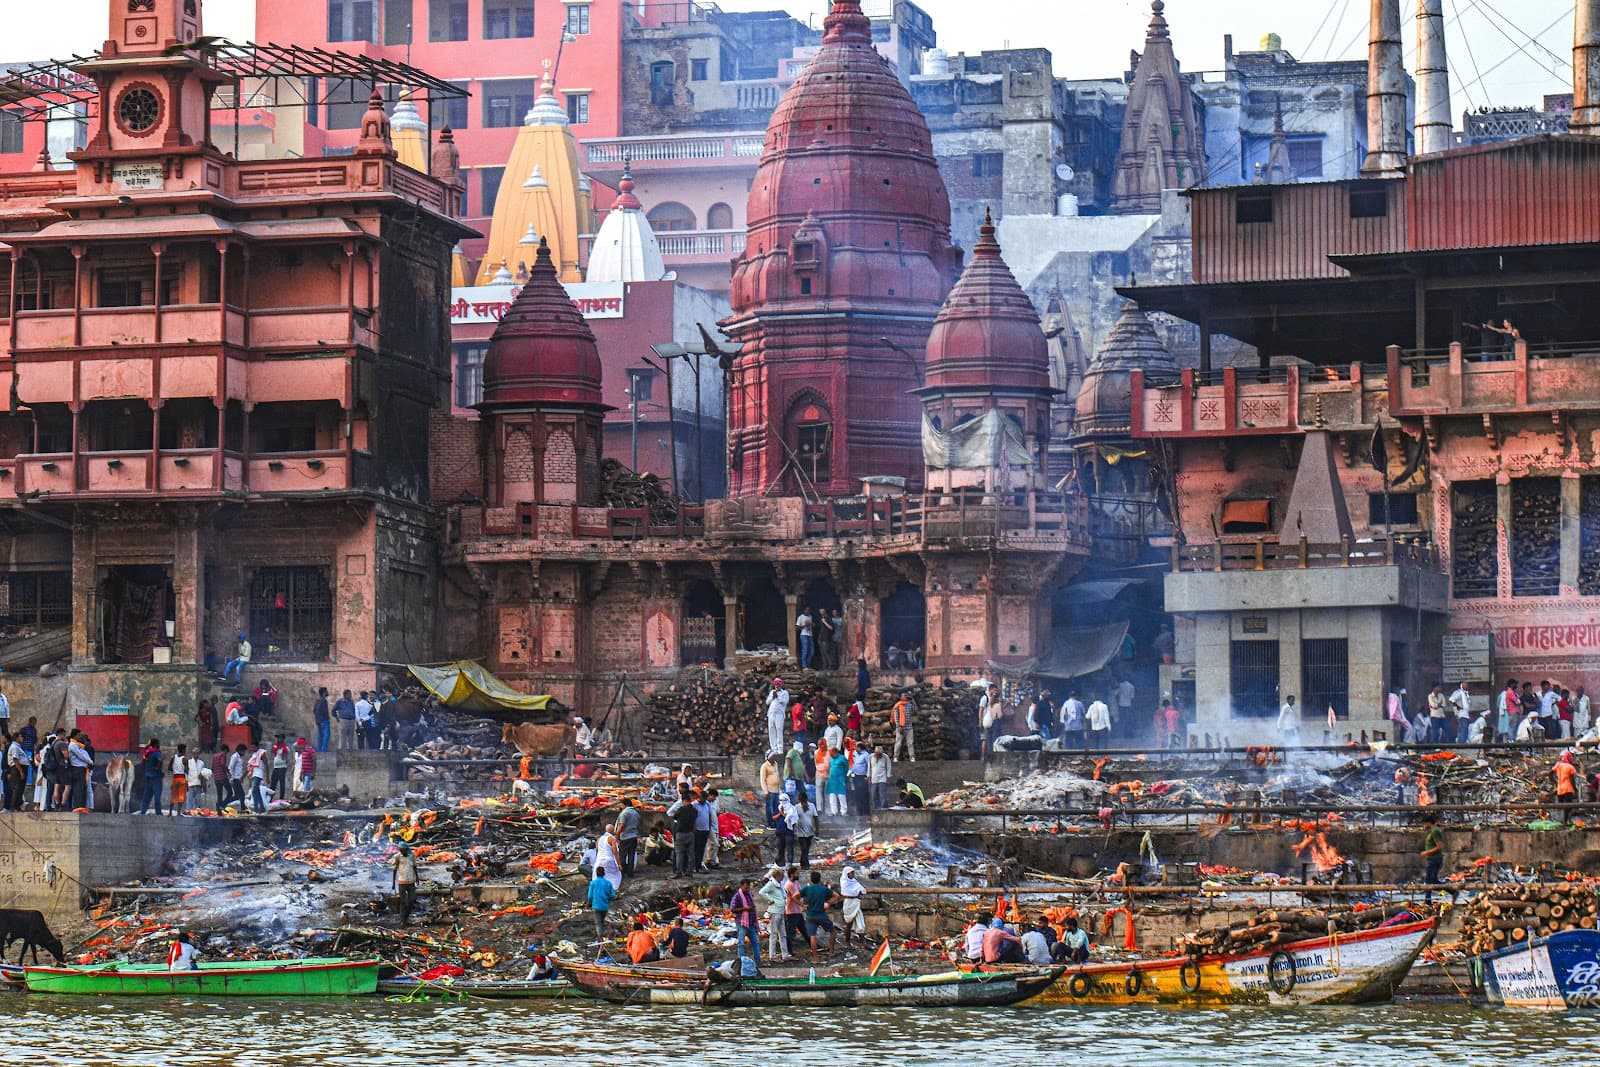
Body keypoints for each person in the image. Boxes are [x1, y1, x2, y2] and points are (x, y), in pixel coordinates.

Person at [798, 871, 839, 964]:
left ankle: (815, 958)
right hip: (821, 914)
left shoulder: (807, 889)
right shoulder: (823, 889)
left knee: (812, 936)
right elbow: (837, 896)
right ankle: (831, 951)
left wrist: (802, 905)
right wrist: (829, 903)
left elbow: (794, 896)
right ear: (819, 879)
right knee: (832, 931)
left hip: (810, 915)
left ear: (811, 879)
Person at [758, 866, 790, 961]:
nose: (783, 878)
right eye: (781, 876)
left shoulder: (779, 885)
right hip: (774, 911)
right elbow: (761, 892)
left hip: (780, 911)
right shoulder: (771, 884)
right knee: (774, 934)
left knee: (783, 934)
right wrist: (770, 900)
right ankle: (772, 955)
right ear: (777, 876)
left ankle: (785, 954)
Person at [667, 786, 698, 877]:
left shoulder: (681, 809)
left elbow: (674, 817)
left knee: (679, 854)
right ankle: (689, 871)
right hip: (690, 833)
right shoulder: (694, 810)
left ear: (684, 801)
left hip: (681, 834)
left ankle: (678, 872)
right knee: (691, 854)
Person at [731, 877, 760, 971]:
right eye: (746, 887)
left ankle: (758, 962)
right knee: (741, 944)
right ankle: (742, 964)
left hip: (751, 923)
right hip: (742, 923)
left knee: (756, 942)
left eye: (748, 887)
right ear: (742, 886)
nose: (747, 889)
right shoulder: (737, 896)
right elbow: (733, 909)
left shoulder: (749, 895)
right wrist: (744, 908)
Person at [838, 867, 867, 948]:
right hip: (849, 904)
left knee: (860, 923)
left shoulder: (854, 881)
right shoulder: (844, 882)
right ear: (847, 874)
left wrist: (857, 894)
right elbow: (847, 893)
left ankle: (863, 942)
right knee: (849, 924)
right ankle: (847, 942)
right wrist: (856, 894)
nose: (853, 874)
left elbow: (861, 890)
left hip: (856, 903)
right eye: (851, 873)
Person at [587, 863, 616, 942]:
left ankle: (600, 938)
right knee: (602, 922)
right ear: (604, 873)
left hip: (596, 906)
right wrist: (607, 898)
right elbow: (613, 895)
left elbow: (590, 896)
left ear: (596, 874)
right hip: (605, 906)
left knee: (598, 923)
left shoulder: (593, 883)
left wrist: (589, 903)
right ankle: (604, 936)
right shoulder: (608, 883)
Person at [392, 842, 419, 925]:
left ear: (407, 849)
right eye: (400, 850)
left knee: (412, 900)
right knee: (402, 902)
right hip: (402, 881)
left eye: (403, 850)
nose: (402, 852)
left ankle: (406, 917)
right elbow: (394, 870)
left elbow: (414, 866)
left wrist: (417, 878)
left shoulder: (412, 855)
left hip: (411, 881)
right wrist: (393, 883)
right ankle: (402, 921)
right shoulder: (397, 857)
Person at [136, 738, 164, 815]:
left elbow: (143, 763)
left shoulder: (147, 752)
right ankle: (158, 813)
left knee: (147, 796)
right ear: (156, 744)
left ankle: (142, 812)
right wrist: (158, 767)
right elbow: (160, 759)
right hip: (156, 777)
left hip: (148, 777)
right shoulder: (156, 752)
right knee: (157, 797)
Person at [790, 790, 817, 869]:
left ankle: (802, 862)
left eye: (804, 801)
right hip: (800, 832)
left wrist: (817, 828)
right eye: (801, 801)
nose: (803, 803)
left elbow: (815, 817)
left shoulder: (812, 806)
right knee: (804, 848)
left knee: (806, 849)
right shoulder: (796, 807)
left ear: (806, 800)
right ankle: (806, 864)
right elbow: (793, 820)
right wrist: (792, 830)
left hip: (810, 831)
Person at [614, 797, 641, 877]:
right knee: (631, 855)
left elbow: (621, 826)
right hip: (634, 836)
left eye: (621, 804)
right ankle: (630, 872)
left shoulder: (624, 813)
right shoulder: (636, 813)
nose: (620, 806)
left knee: (622, 855)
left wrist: (617, 837)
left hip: (625, 837)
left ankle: (622, 872)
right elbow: (638, 825)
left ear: (624, 805)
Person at [889, 693, 917, 762]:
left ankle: (912, 757)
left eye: (906, 696)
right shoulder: (898, 705)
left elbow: (915, 710)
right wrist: (898, 727)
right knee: (898, 743)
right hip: (900, 727)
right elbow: (896, 717)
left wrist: (913, 700)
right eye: (904, 696)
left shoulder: (910, 705)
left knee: (910, 743)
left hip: (909, 727)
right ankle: (895, 757)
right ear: (901, 697)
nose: (905, 697)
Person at [1554, 751, 1580, 822]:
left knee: (1561, 806)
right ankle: (1566, 821)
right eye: (1571, 757)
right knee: (1568, 806)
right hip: (1568, 789)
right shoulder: (1570, 767)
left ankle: (1560, 821)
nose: (1572, 758)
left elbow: (1550, 773)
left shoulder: (1558, 765)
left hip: (1560, 789)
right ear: (1568, 757)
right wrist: (1575, 789)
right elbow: (1572, 780)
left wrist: (1556, 781)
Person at [765, 680, 789, 757]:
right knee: (771, 730)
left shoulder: (784, 693)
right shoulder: (772, 692)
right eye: (775, 684)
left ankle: (780, 749)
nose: (777, 686)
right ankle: (774, 748)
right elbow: (767, 702)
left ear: (781, 685)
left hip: (779, 714)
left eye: (778, 684)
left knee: (779, 730)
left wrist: (777, 697)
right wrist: (772, 697)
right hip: (771, 713)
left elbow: (785, 702)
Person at [167, 743, 191, 816]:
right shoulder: (185, 759)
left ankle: (170, 812)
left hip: (175, 778)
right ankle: (178, 813)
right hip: (182, 778)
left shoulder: (173, 757)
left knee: (173, 795)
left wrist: (175, 769)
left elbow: (169, 768)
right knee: (181, 796)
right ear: (183, 750)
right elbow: (186, 770)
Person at [1419, 813, 1444, 885]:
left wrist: (1426, 852)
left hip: (1435, 858)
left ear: (1428, 823)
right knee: (1432, 879)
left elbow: (1439, 846)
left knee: (1429, 879)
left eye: (1424, 824)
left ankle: (1429, 891)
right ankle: (1448, 890)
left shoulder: (1435, 831)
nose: (1424, 826)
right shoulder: (1432, 831)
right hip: (1432, 858)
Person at [825, 746, 848, 816]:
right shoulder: (831, 759)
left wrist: (843, 776)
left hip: (840, 780)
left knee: (841, 796)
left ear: (835, 752)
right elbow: (830, 767)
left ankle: (844, 811)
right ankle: (833, 811)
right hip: (832, 780)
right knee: (832, 796)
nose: (830, 755)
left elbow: (846, 768)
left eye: (831, 753)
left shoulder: (842, 758)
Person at [867, 745, 891, 811]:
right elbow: (869, 767)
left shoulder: (885, 757)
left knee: (882, 794)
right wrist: (868, 776)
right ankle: (876, 808)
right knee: (873, 794)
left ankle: (883, 808)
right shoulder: (871, 756)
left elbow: (888, 767)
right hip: (874, 778)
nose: (878, 755)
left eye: (879, 754)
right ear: (875, 752)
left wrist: (888, 777)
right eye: (877, 754)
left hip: (882, 778)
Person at [269, 734, 291, 801]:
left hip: (282, 767)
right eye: (278, 738)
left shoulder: (286, 748)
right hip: (275, 767)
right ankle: (270, 798)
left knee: (282, 783)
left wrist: (285, 764)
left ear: (283, 739)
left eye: (280, 738)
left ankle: (281, 798)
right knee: (273, 783)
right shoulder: (275, 747)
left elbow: (288, 758)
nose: (278, 739)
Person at [312, 687, 331, 753]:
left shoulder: (318, 700)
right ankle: (323, 750)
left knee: (320, 736)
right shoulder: (322, 700)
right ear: (324, 693)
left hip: (319, 721)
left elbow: (314, 710)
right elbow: (317, 711)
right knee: (326, 736)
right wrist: (324, 717)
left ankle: (320, 751)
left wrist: (318, 719)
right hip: (323, 721)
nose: (327, 692)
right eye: (326, 691)